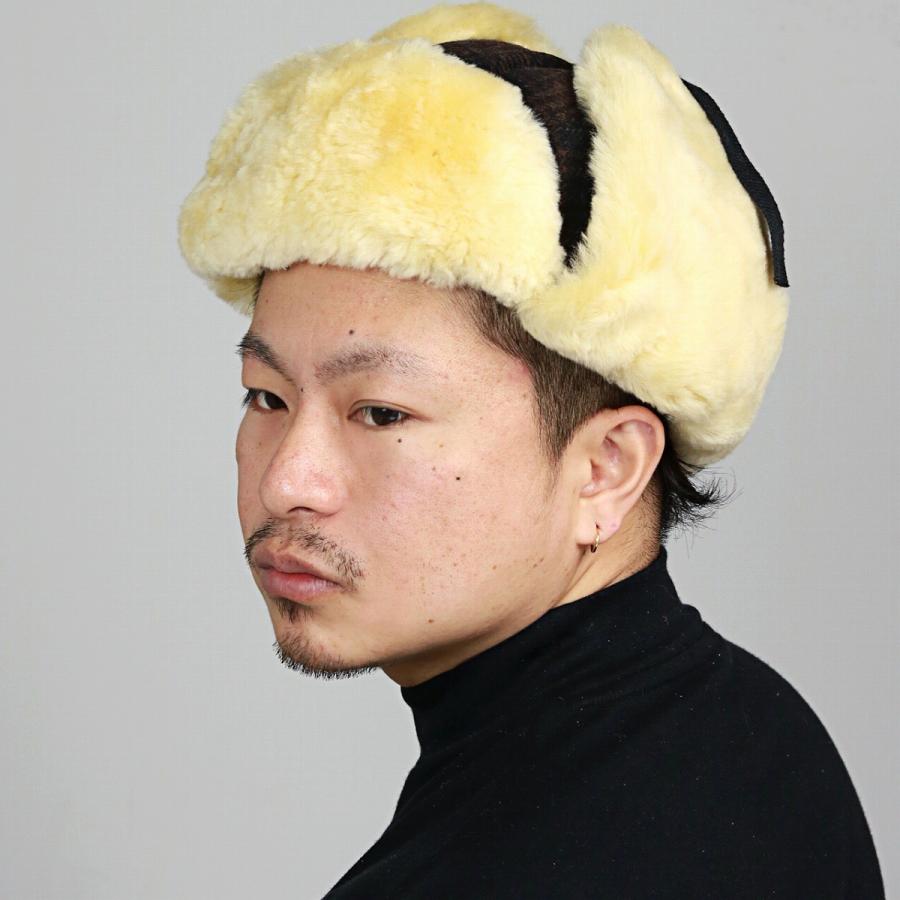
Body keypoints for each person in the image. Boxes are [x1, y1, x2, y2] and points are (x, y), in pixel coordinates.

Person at [177, 4, 885, 896]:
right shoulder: (756, 732)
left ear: (606, 470)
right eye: (267, 396)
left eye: (382, 414)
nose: (288, 480)